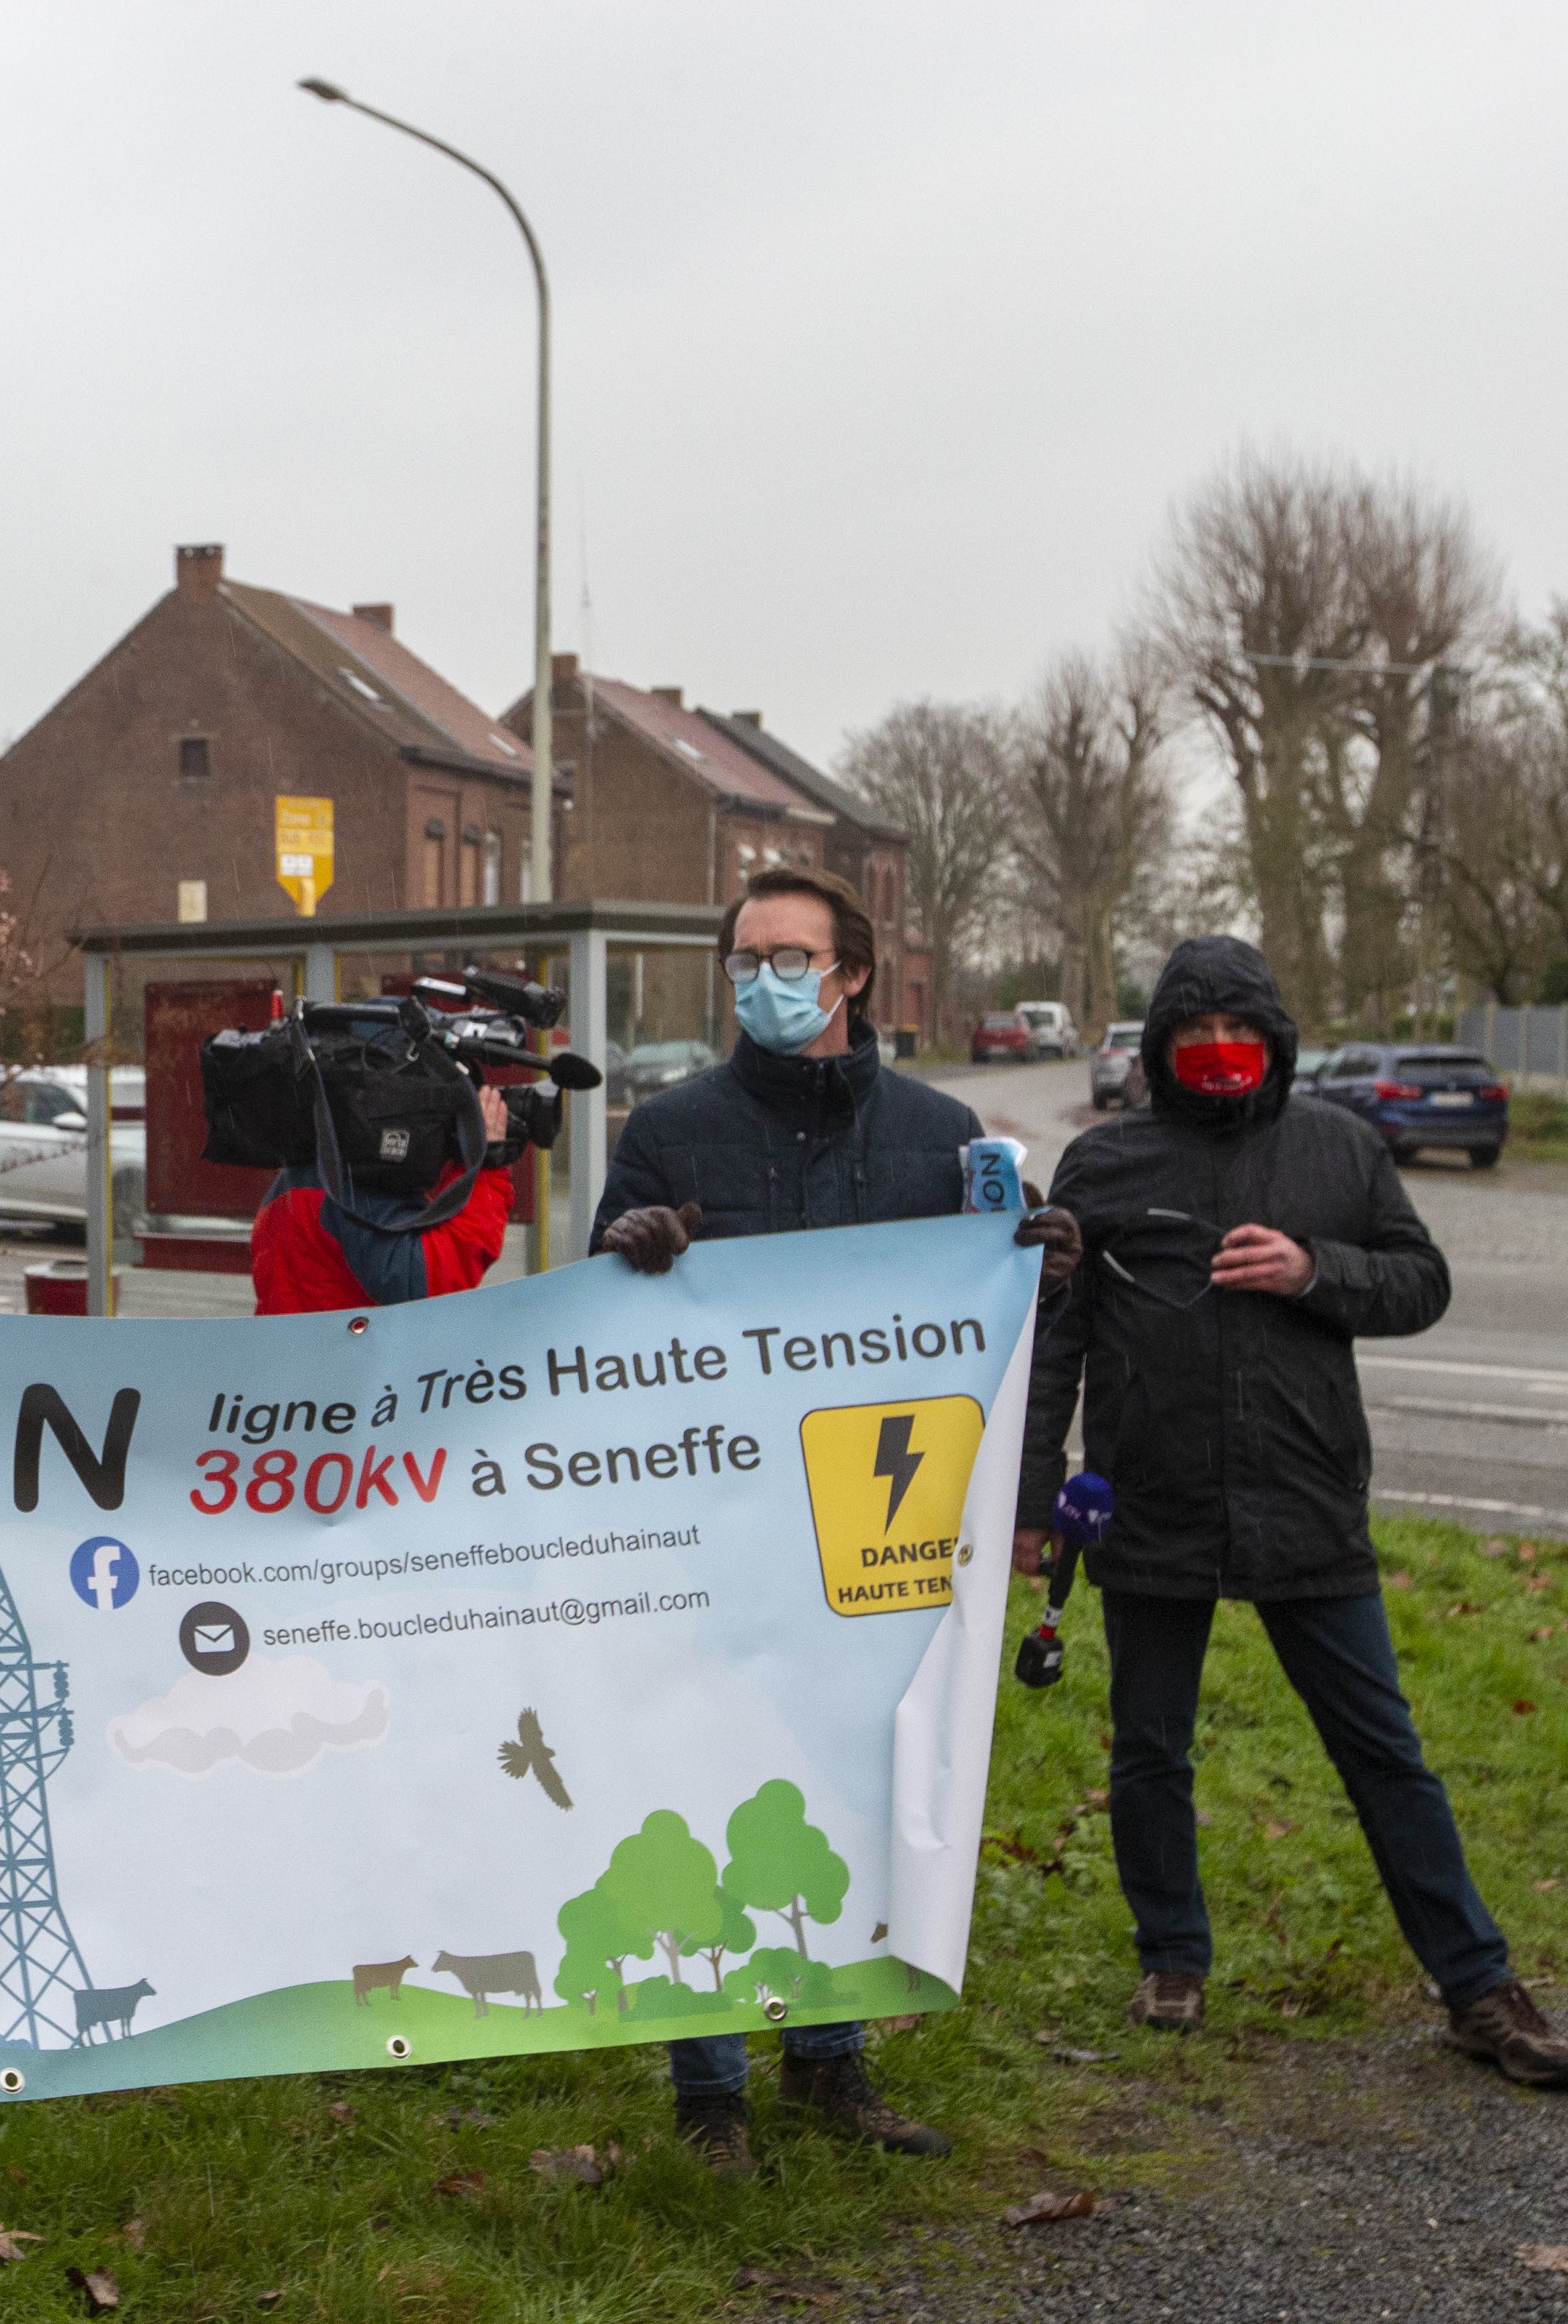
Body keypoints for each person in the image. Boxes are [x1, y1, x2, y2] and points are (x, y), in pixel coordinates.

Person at [1011, 936, 1568, 2090]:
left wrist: (1312, 1269)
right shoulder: (1103, 1162)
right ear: (1159, 1049)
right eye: (1191, 1041)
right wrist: (1032, 1505)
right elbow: (1055, 1338)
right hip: (1148, 1502)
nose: (1216, 1058)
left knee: (1383, 1752)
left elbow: (1418, 1282)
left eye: (1238, 1039)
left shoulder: (1336, 1146)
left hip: (1303, 1498)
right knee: (1148, 1750)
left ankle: (1477, 1986)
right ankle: (1168, 1955)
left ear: (1274, 1043)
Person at [591, 865, 1079, 2177]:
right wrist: (627, 1250)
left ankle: (831, 2063)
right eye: (746, 958)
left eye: (791, 957)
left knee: (853, 1793)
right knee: (701, 1791)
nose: (765, 980)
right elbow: (595, 1322)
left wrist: (1029, 1260)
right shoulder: (670, 1132)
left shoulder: (940, 1137)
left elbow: (977, 1317)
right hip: (720, 1528)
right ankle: (711, 2095)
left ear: (852, 974)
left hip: (877, 1528)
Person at [249, 1082, 520, 1314]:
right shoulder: (357, 1182)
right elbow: (425, 1283)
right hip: (350, 1369)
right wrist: (486, 1174)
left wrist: (453, 1172)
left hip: (305, 1362)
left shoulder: (315, 1166)